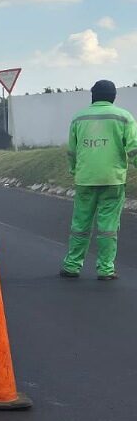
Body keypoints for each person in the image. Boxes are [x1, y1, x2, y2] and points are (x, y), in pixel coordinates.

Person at [60, 80, 137, 281]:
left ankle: (72, 266)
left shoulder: (79, 117)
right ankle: (105, 269)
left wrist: (74, 170)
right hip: (113, 180)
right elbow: (133, 149)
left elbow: (72, 150)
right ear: (113, 97)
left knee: (80, 224)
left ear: (93, 96)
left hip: (85, 179)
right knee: (108, 227)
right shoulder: (124, 117)